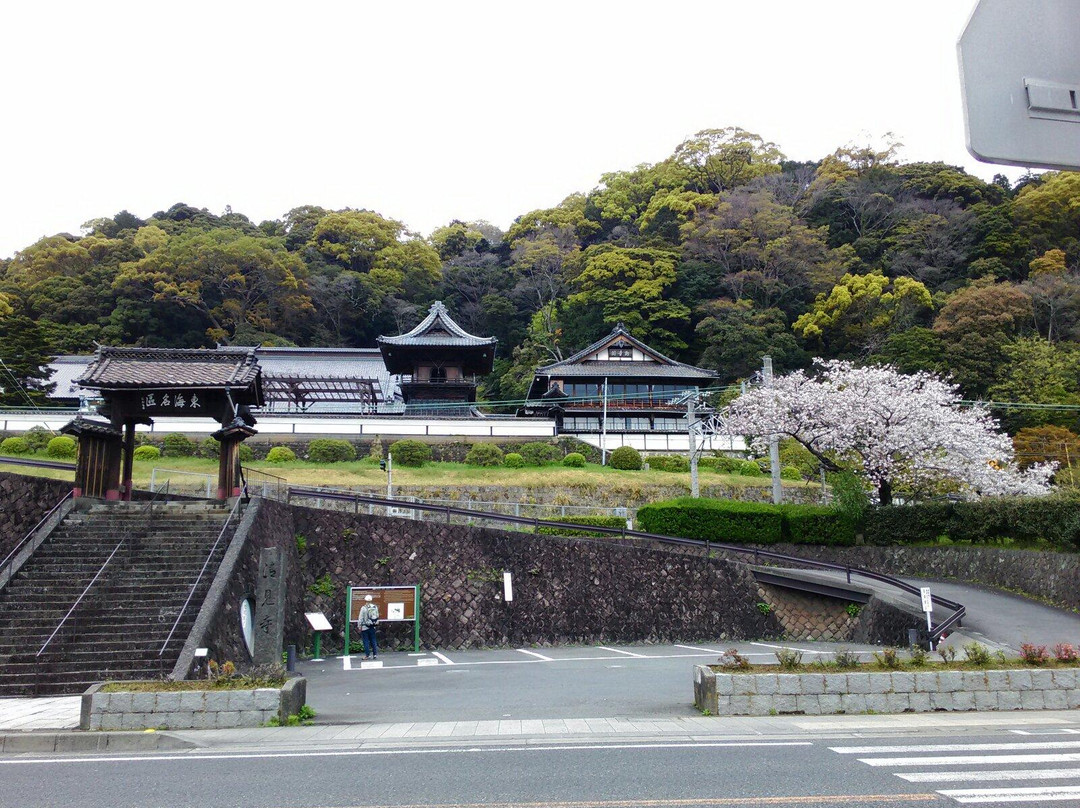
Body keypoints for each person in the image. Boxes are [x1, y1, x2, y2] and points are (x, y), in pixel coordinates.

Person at [358, 594, 379, 660]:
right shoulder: (375, 607)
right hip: (373, 626)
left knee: (366, 641)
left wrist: (359, 626)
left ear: (365, 600)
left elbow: (360, 618)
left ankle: (367, 655)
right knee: (373, 640)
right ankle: (375, 654)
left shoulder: (364, 608)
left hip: (365, 627)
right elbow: (377, 616)